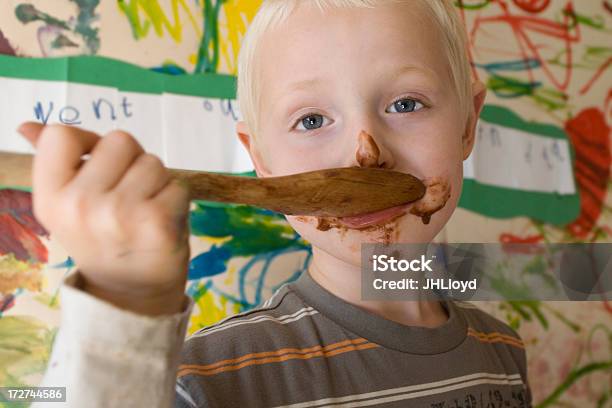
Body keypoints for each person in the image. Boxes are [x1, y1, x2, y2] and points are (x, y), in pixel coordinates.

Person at [22, 0, 532, 406]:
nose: (365, 153)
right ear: (261, 160)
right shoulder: (210, 378)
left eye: (406, 103)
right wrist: (124, 309)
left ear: (467, 125)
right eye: (311, 120)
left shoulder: (505, 349)